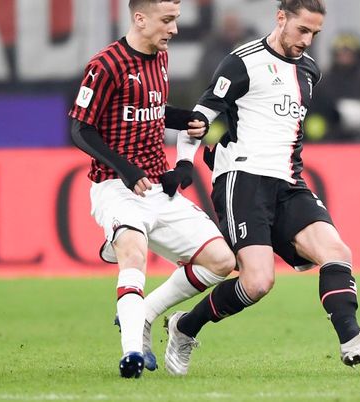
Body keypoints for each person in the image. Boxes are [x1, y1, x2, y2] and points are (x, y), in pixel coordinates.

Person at [163, 0, 360, 376]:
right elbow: (200, 118)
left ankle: (351, 337)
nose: (308, 40)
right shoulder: (241, 62)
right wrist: (184, 162)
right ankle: (184, 327)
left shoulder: (310, 71)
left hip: (289, 182)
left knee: (336, 250)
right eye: (302, 30)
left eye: (315, 33)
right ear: (281, 18)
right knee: (258, 282)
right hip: (242, 180)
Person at [67, 0, 236, 379]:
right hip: (116, 186)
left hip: (157, 186)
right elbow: (80, 128)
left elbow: (152, 110)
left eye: (175, 20)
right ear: (140, 18)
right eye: (167, 20)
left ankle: (144, 313)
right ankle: (131, 354)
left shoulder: (159, 56)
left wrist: (185, 119)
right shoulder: (105, 65)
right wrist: (124, 169)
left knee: (223, 261)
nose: (174, 29)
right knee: (133, 253)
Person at [306, 32, 360, 142]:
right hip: (334, 139)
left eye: (348, 53)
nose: (344, 56)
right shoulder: (325, 82)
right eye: (340, 53)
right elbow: (317, 112)